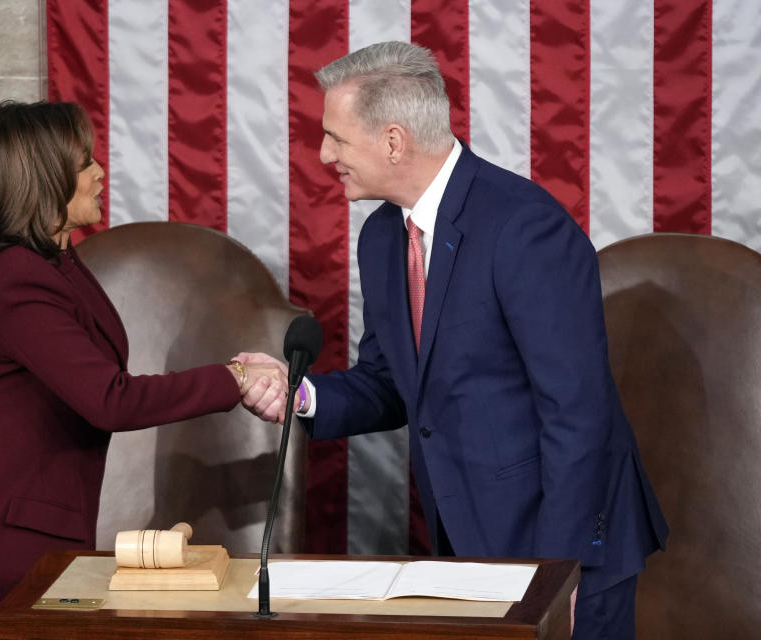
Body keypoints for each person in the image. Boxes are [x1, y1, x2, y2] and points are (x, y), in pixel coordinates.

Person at [240, 41, 668, 639]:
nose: (322, 154)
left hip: (564, 545)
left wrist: (560, 573)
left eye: (335, 137)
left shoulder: (524, 228)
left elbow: (579, 414)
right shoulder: (383, 236)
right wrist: (301, 396)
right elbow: (390, 382)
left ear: (393, 141)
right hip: (465, 543)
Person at [0, 101, 286, 628]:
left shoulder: (55, 264)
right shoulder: (14, 278)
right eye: (84, 164)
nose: (100, 173)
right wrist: (233, 379)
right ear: (40, 180)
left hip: (34, 540)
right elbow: (109, 399)